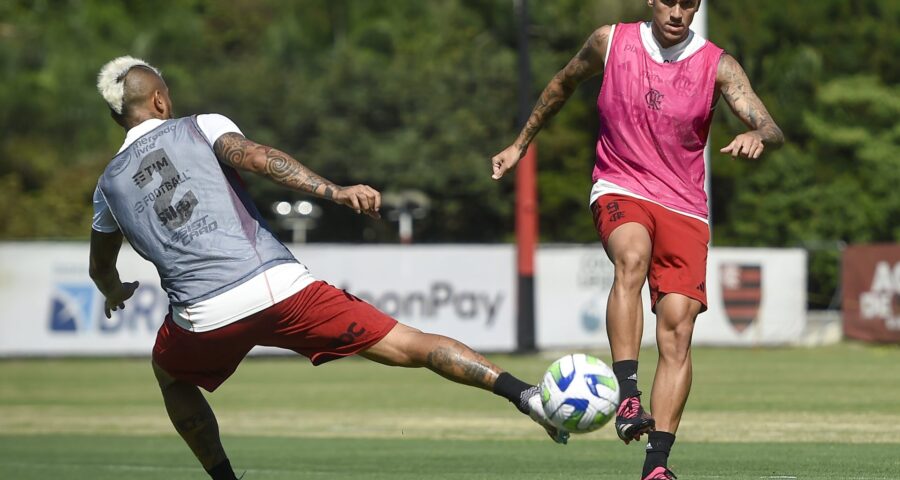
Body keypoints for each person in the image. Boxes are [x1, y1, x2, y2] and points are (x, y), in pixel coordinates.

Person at [89, 56, 568, 480]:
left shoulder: (108, 186)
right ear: (157, 101)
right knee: (410, 344)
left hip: (202, 316)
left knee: (170, 375)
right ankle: (523, 395)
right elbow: (257, 158)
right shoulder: (199, 125)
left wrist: (113, 290)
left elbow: (101, 267)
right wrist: (334, 192)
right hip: (280, 286)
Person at [490, 1, 783, 479]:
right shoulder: (610, 42)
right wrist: (519, 144)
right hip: (620, 184)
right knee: (632, 256)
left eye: (689, 3)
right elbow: (562, 84)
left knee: (678, 328)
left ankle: (657, 465)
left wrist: (760, 135)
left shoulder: (718, 65)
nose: (678, 11)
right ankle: (628, 395)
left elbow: (771, 125)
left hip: (685, 206)